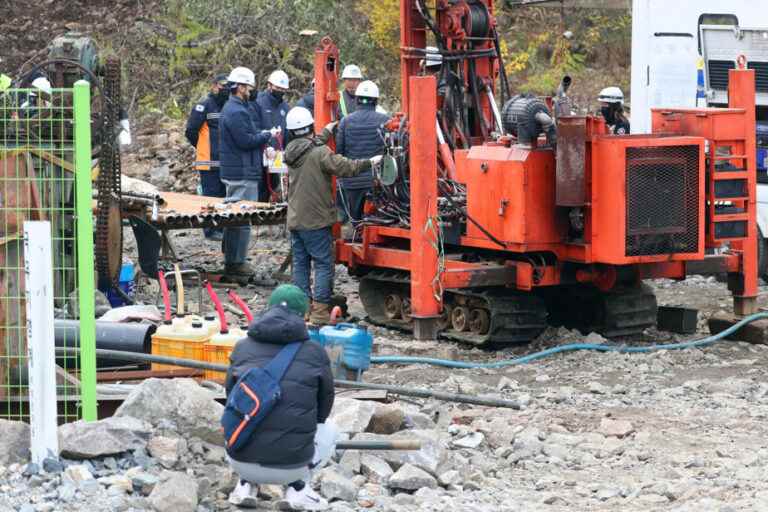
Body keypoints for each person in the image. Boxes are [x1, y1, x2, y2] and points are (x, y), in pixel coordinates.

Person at [225, 284, 336, 511]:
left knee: (242, 413)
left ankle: (245, 484)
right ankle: (298, 489)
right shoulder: (315, 352)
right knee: (331, 428)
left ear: (268, 309)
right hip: (293, 466)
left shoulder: (242, 347)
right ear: (303, 315)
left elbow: (230, 397)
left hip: (240, 459)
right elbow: (324, 409)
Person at [283, 106, 382, 324]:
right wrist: (371, 161)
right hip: (316, 221)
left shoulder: (291, 151)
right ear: (309, 127)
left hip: (296, 220)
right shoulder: (320, 153)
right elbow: (345, 167)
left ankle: (303, 310)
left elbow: (309, 146)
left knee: (300, 265)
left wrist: (326, 132)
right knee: (322, 264)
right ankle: (319, 314)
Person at [219, 66, 280, 277]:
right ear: (240, 87)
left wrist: (262, 138)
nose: (251, 91)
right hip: (242, 172)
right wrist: (266, 135)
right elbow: (245, 141)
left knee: (235, 219)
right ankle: (236, 263)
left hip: (239, 169)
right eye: (249, 87)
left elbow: (247, 136)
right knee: (242, 220)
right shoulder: (236, 111)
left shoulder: (235, 108)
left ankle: (232, 260)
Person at [335, 80, 389, 225]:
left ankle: (357, 241)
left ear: (357, 99)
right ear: (376, 100)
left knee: (357, 223)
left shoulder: (345, 122)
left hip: (352, 182)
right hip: (377, 182)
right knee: (377, 221)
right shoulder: (386, 121)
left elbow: (339, 152)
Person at [185, 73, 230, 241]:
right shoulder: (204, 105)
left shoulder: (228, 106)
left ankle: (222, 227)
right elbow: (190, 131)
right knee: (210, 197)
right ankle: (210, 230)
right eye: (221, 87)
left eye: (226, 87)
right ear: (214, 86)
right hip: (208, 162)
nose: (224, 90)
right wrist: (203, 147)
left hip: (225, 162)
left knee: (224, 198)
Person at [256, 70, 291, 202]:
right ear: (270, 85)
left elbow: (287, 134)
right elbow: (253, 129)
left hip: (277, 159)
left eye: (283, 89)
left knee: (275, 193)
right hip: (259, 159)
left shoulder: (285, 108)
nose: (280, 91)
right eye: (277, 87)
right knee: (260, 194)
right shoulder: (258, 103)